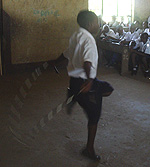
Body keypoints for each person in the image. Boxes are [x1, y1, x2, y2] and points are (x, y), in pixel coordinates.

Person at [65, 10, 114, 160]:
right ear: (90, 24)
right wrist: (89, 81)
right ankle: (89, 150)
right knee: (94, 116)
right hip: (85, 82)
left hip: (74, 81)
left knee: (108, 89)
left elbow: (66, 53)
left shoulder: (76, 35)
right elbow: (87, 62)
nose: (99, 25)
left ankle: (73, 96)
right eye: (97, 22)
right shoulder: (89, 40)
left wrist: (53, 63)